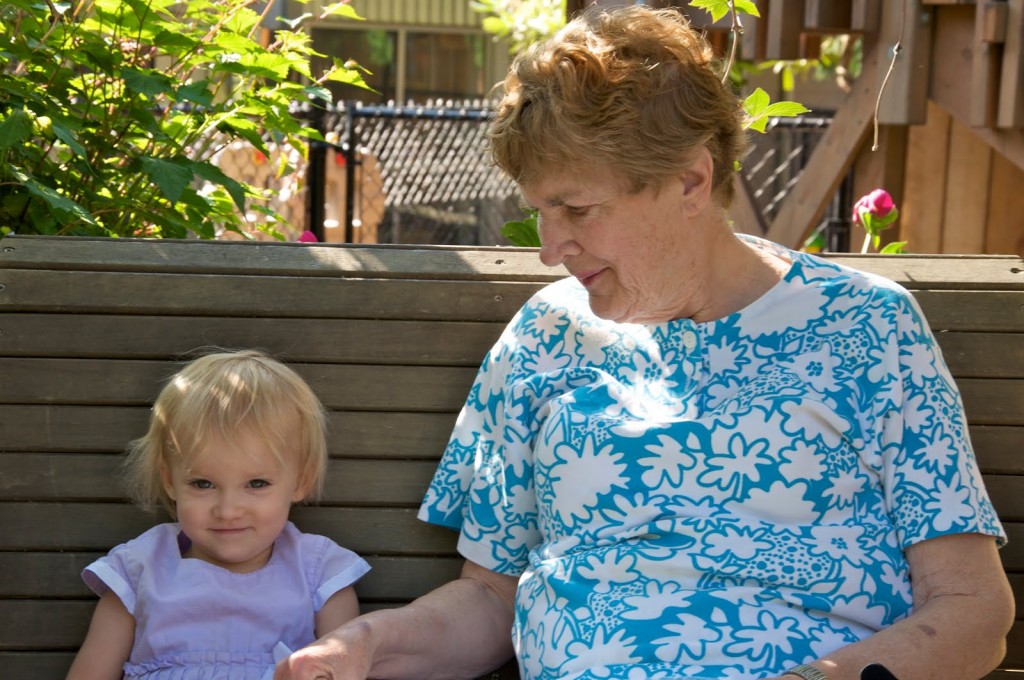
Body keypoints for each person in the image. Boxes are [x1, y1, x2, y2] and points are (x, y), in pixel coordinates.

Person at [275, 5, 1014, 680]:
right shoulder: (544, 335)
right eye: (542, 210)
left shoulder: (865, 328)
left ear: (690, 181)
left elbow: (973, 612)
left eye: (578, 209)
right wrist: (370, 644)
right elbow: (490, 601)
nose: (551, 246)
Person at [66, 349, 371, 680]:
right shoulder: (139, 571)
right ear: (170, 481)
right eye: (202, 483)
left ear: (301, 481)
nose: (227, 511)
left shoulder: (319, 574)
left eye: (256, 483)